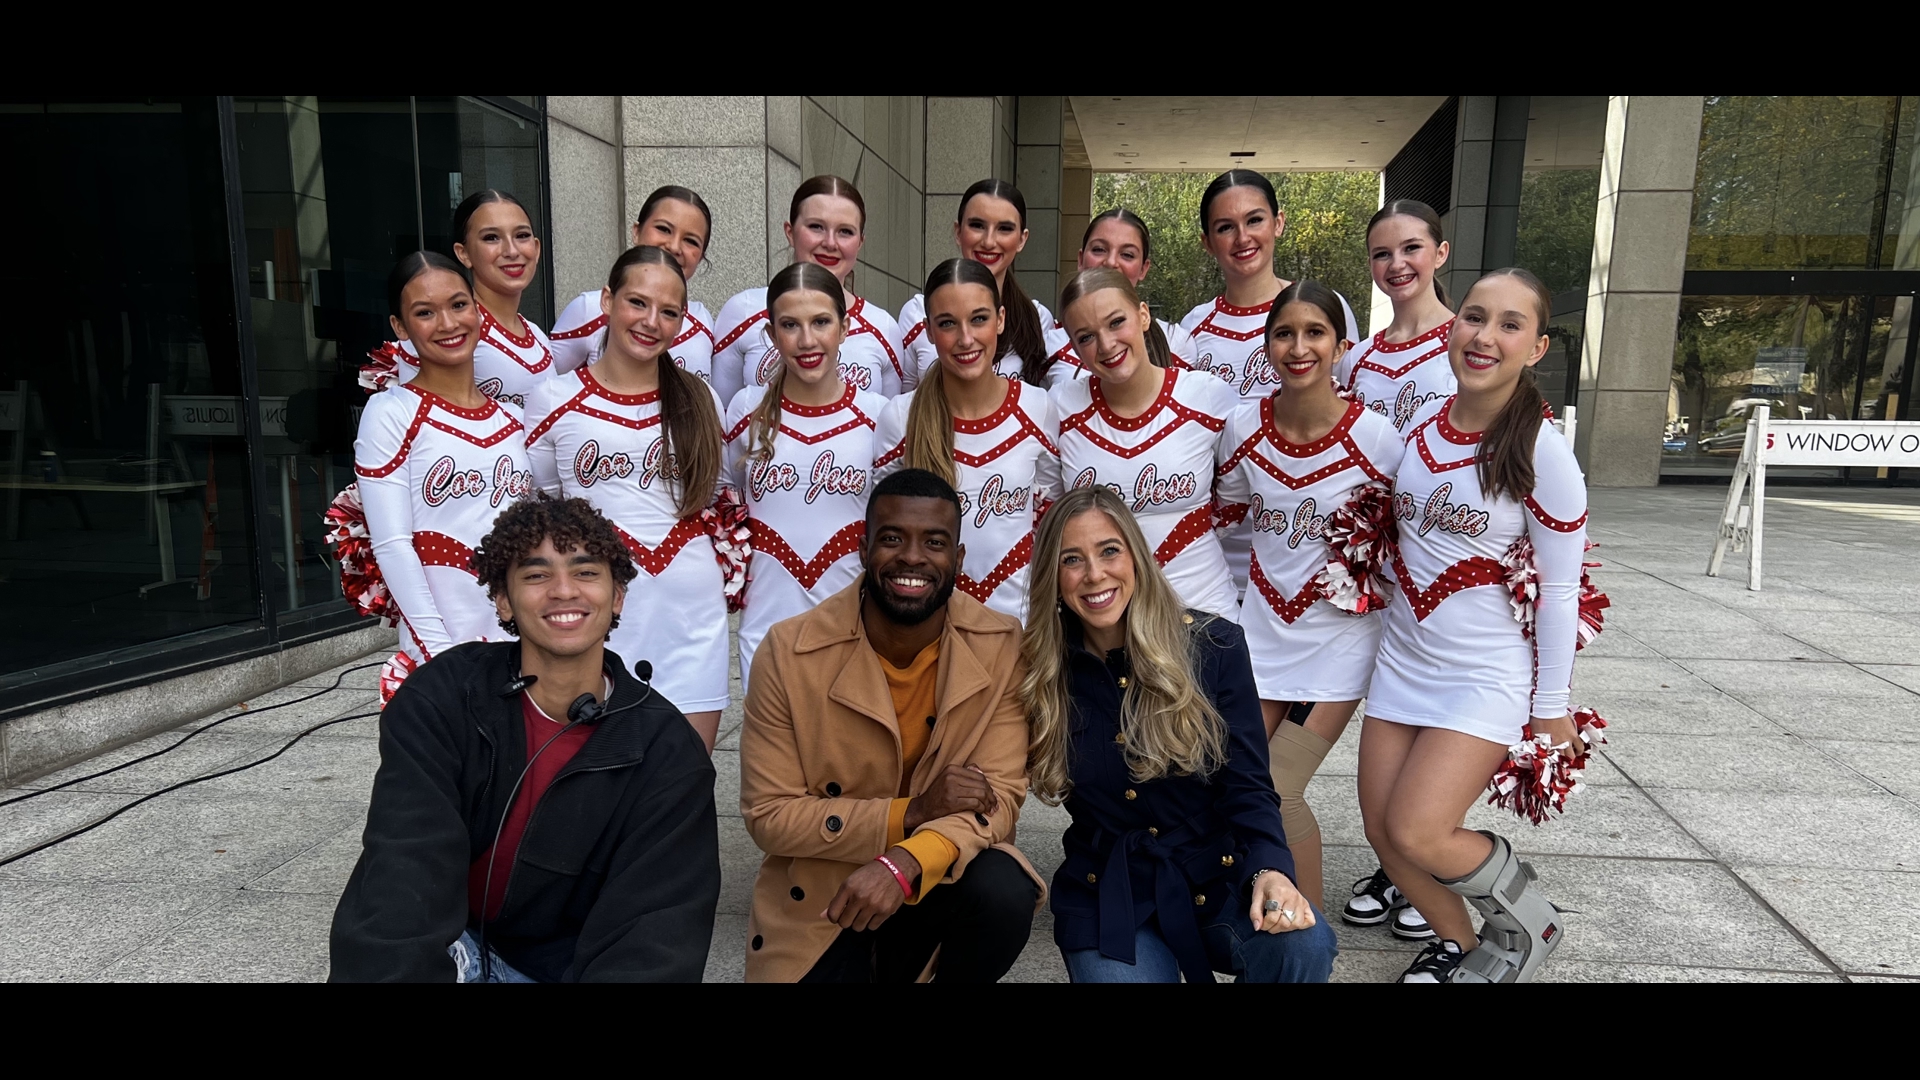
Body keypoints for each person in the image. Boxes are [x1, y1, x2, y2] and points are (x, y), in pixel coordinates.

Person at [329, 496, 720, 982]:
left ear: (617, 595)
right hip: (449, 947)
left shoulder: (668, 751)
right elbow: (402, 876)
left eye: (586, 572)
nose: (562, 591)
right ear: (502, 600)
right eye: (535, 575)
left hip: (564, 968)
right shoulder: (443, 698)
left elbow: (655, 936)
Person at [1360, 268, 1589, 983]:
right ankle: (1459, 944)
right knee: (1383, 834)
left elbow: (1561, 589)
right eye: (1473, 317)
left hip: (1482, 674)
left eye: (1509, 324)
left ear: (1537, 347)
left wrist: (1550, 709)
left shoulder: (1542, 452)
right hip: (1404, 661)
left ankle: (1530, 921)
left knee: (1419, 830)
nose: (1485, 336)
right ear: (1451, 327)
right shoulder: (1422, 433)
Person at [738, 468, 1044, 982]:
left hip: (938, 879)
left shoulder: (1002, 645)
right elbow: (768, 814)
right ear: (862, 549)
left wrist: (901, 863)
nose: (912, 557)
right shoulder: (789, 650)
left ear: (959, 559)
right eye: (892, 538)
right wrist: (912, 813)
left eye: (935, 542)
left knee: (1003, 886)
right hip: (825, 898)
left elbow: (1001, 799)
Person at [1022, 486, 1336, 983]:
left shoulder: (1214, 647)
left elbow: (1251, 788)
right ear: (1052, 578)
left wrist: (1271, 869)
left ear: (1138, 559)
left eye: (1109, 551)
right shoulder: (1039, 671)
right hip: (1110, 890)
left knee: (1303, 942)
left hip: (1219, 877)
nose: (1094, 574)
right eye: (1071, 560)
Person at [1215, 279, 1402, 924]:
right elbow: (1227, 511)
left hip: (1341, 643)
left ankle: (1307, 933)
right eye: (1284, 333)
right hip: (1263, 630)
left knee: (1279, 788)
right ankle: (1252, 904)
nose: (1299, 347)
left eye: (1314, 332)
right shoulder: (1244, 426)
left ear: (1340, 346)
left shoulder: (1379, 440)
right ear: (1266, 344)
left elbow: (1411, 538)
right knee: (1232, 780)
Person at [524, 246, 731, 751]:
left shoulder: (700, 401)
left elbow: (716, 493)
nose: (651, 321)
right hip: (599, 615)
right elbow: (548, 502)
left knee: (683, 787)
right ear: (607, 301)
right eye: (637, 302)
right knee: (598, 784)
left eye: (669, 311)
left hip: (691, 613)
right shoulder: (553, 400)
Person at [356, 251, 534, 675]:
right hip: (445, 654)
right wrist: (440, 656)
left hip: (527, 647)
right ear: (400, 327)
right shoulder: (392, 412)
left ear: (477, 307)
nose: (449, 324)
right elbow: (393, 545)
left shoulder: (513, 421)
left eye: (458, 304)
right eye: (425, 312)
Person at [724, 262, 886, 690]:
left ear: (845, 327)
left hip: (856, 624)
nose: (807, 340)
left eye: (821, 322)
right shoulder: (745, 411)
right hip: (766, 624)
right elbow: (724, 501)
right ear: (772, 334)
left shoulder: (878, 417)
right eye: (790, 325)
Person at [875, 259, 1062, 620]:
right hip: (928, 626)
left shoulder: (1039, 408)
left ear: (1001, 319)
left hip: (1021, 627)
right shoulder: (900, 417)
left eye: (979, 319)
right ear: (928, 331)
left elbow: (1049, 519)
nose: (965, 338)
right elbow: (884, 532)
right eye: (947, 323)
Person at [1052, 267, 1238, 618]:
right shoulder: (1060, 408)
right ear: (1073, 347)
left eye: (1116, 322)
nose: (1106, 345)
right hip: (1107, 618)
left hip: (1202, 608)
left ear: (1143, 315)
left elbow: (1236, 497)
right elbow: (1050, 511)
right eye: (1086, 337)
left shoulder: (1206, 397)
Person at [712, 176, 907, 403]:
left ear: (860, 242)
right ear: (789, 231)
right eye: (816, 227)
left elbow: (890, 428)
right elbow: (722, 422)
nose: (830, 243)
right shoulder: (742, 310)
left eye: (845, 231)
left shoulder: (884, 327)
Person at [1179, 170, 1360, 402]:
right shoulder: (1193, 326)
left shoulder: (1325, 307)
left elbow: (1348, 402)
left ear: (1278, 223)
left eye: (1254, 220)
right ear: (1208, 243)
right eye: (1225, 227)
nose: (1243, 238)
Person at [898, 179, 1070, 385]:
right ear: (958, 231)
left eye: (1004, 228)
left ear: (1022, 239)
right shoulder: (916, 312)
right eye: (977, 225)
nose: (989, 242)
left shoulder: (1038, 319)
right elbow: (906, 401)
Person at [393, 191, 556, 407]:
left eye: (521, 235)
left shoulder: (537, 336)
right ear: (463, 253)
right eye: (491, 238)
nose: (511, 250)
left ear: (536, 249)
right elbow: (420, 420)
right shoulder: (449, 330)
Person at [549, 185, 719, 386]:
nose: (674, 247)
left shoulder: (705, 322)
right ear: (636, 232)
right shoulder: (588, 309)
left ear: (701, 257)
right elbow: (549, 388)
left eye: (690, 241)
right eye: (664, 229)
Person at [1338, 199, 1457, 432]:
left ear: (1441, 253)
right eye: (1382, 254)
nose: (1397, 264)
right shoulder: (1357, 358)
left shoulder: (1469, 343)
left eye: (1411, 248)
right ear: (1370, 264)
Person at [1045, 207, 1197, 384]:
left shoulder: (1177, 341)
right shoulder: (1049, 343)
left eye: (1127, 254)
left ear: (1143, 268)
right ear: (1080, 259)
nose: (1111, 262)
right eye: (1099, 249)